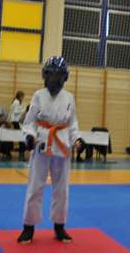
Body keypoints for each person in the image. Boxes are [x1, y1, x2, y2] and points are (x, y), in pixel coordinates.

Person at [17, 56, 83, 244]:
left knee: (61, 189)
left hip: (62, 144)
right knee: (35, 186)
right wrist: (29, 136)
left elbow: (72, 123)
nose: (55, 79)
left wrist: (77, 139)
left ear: (65, 77)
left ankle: (59, 225)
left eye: (59, 75)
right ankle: (28, 227)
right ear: (45, 75)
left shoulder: (69, 98)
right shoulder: (38, 95)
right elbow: (29, 121)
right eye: (52, 75)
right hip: (42, 143)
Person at [10, 91, 26, 161]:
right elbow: (15, 112)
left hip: (16, 121)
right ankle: (21, 155)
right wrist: (23, 110)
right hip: (15, 121)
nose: (23, 98)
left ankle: (21, 154)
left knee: (21, 139)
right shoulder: (16, 102)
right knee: (21, 138)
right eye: (22, 96)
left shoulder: (16, 102)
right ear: (20, 96)